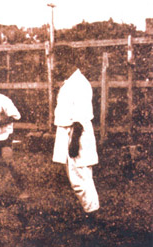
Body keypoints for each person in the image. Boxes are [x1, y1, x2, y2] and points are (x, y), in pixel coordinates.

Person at [52, 59, 100, 215]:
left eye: (58, 63)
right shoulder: (69, 82)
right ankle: (88, 212)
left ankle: (93, 217)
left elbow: (81, 117)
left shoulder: (80, 83)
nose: (55, 67)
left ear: (68, 62)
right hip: (66, 132)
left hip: (76, 133)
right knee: (74, 178)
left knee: (81, 178)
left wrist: (74, 142)